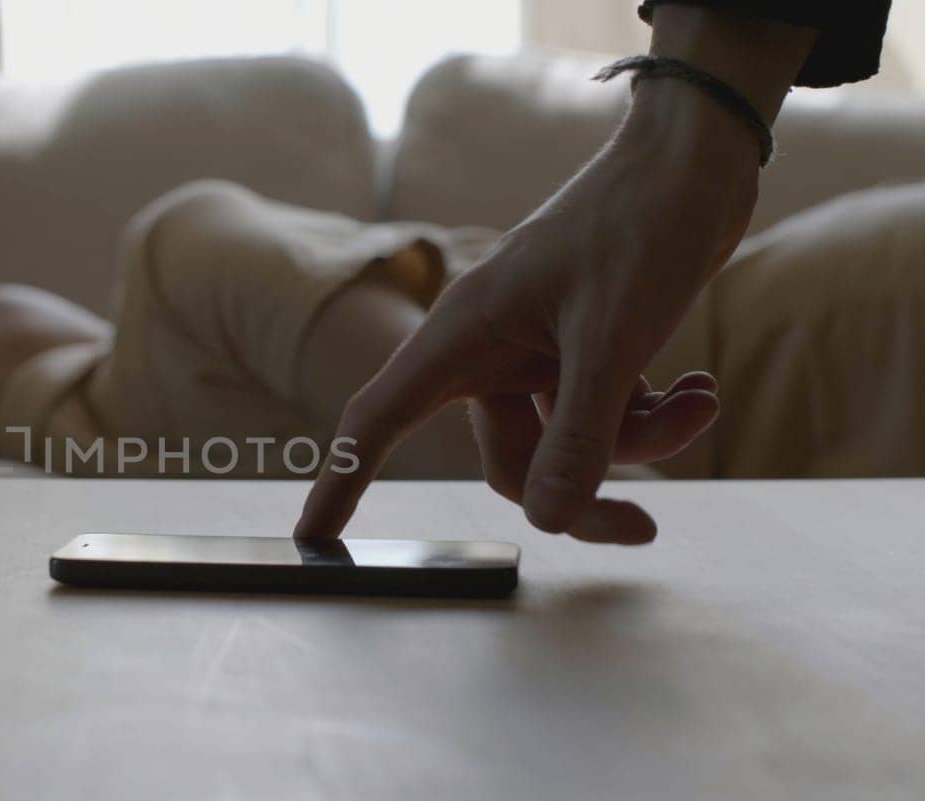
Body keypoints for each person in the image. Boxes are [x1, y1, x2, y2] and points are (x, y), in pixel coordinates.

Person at [294, 1, 894, 544]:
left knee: (207, 231)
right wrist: (689, 129)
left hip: (817, 297)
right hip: (788, 299)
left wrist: (680, 134)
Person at [0, 180, 721, 494]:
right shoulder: (178, 259)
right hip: (779, 336)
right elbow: (543, 465)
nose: (9, 288)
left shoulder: (120, 482)